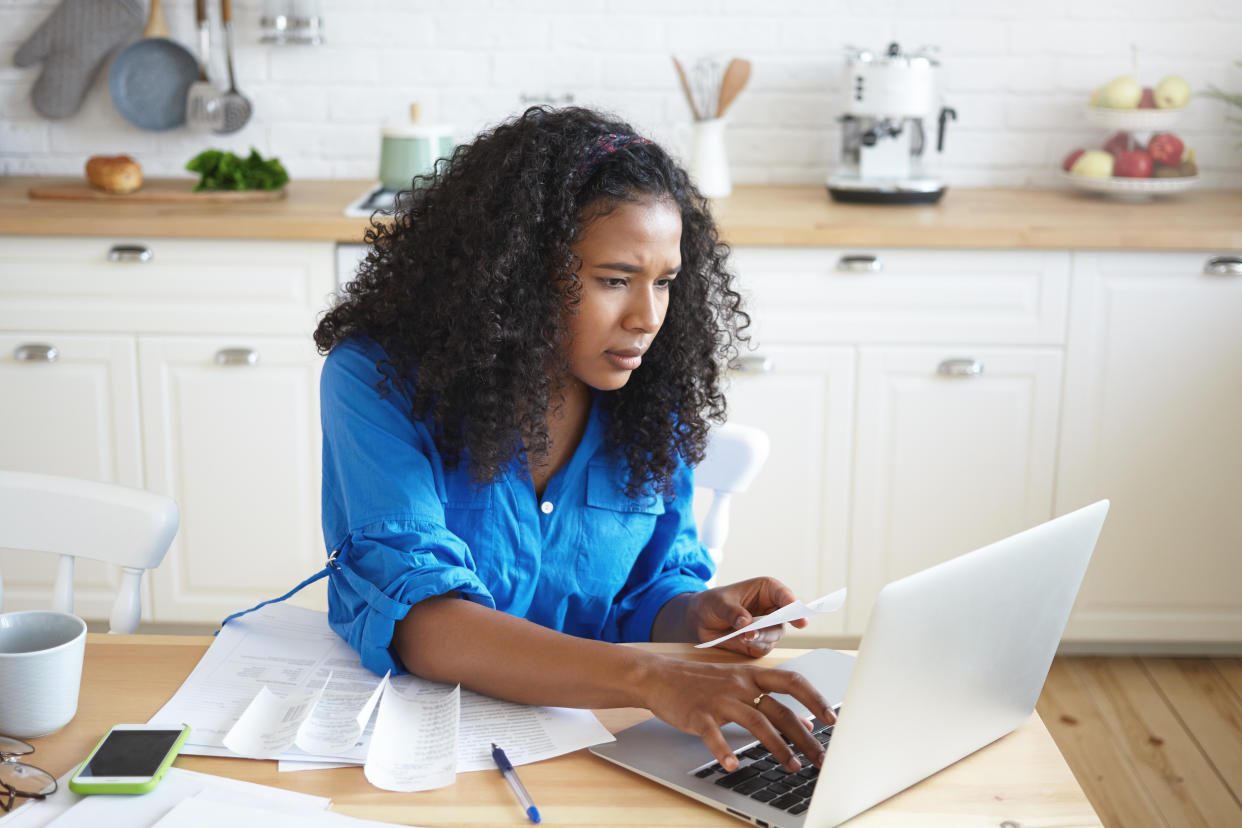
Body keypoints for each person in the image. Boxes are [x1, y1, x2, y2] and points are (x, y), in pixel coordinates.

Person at [313, 106, 833, 774]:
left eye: (665, 282)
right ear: (518, 273)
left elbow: (645, 592)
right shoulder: (376, 379)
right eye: (614, 280)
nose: (648, 318)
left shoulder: (646, 399)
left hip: (592, 740)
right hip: (419, 748)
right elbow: (426, 623)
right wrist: (649, 676)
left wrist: (694, 614)